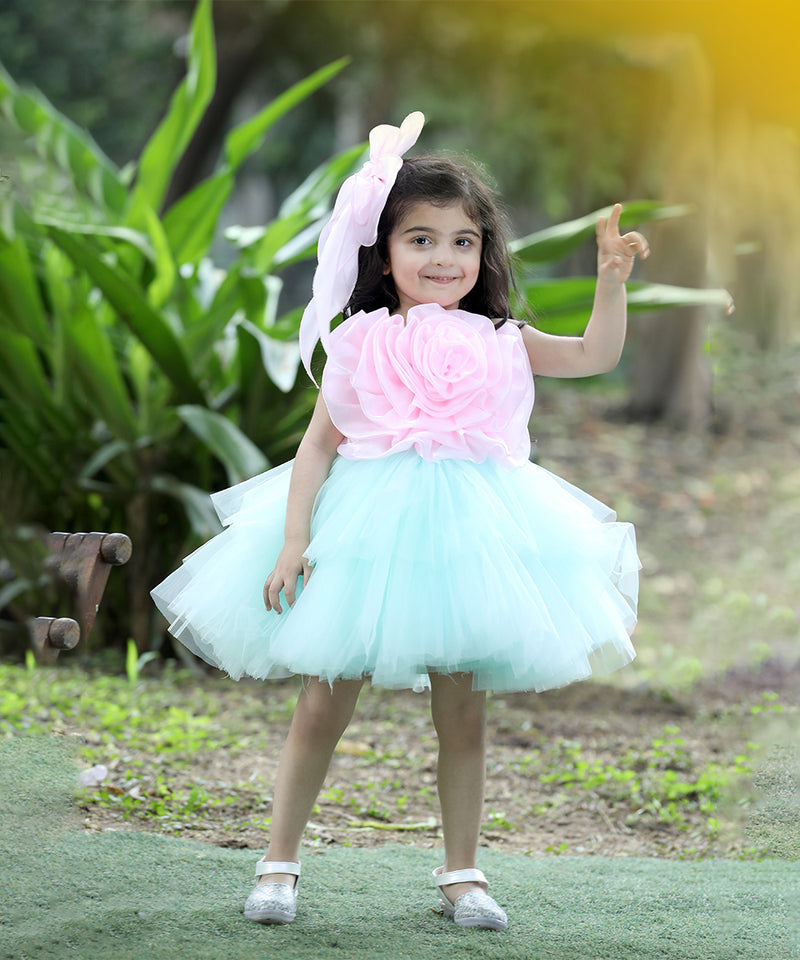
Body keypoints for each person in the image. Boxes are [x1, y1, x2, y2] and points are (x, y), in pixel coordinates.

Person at [151, 111, 647, 932]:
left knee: (463, 708)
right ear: (383, 253)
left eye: (462, 241)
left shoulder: (504, 336)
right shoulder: (361, 340)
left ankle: (463, 873)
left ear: (483, 254)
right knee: (323, 700)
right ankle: (280, 861)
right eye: (420, 239)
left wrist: (611, 281)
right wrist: (295, 538)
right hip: (365, 532)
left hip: (474, 537)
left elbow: (596, 355)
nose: (443, 258)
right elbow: (317, 450)